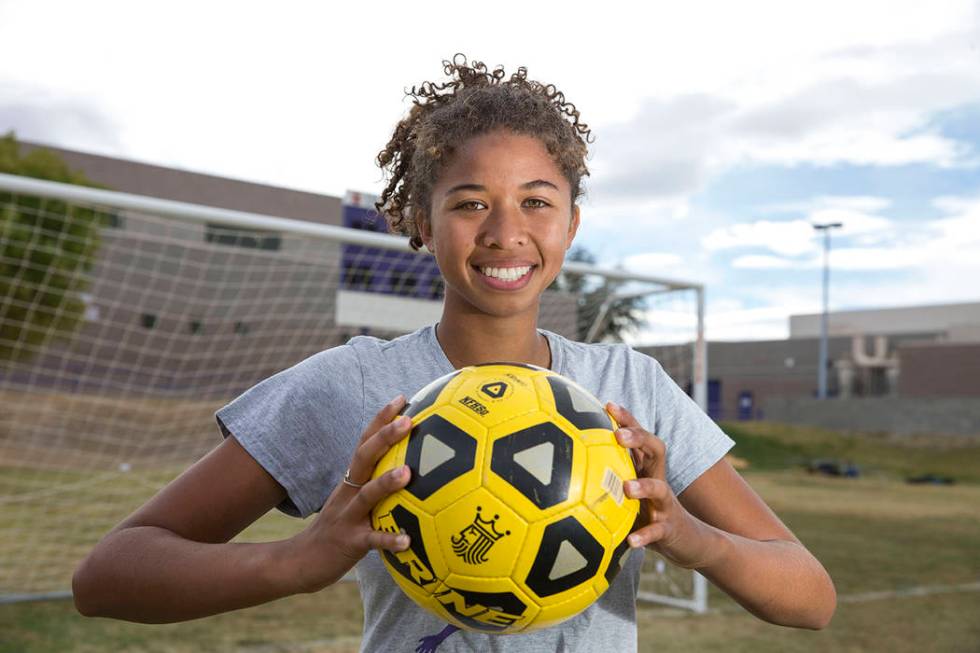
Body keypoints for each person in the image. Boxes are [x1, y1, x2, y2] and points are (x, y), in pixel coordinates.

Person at [72, 55, 836, 651]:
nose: (506, 231)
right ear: (419, 221)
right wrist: (295, 560)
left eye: (537, 200)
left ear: (571, 224)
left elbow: (811, 597)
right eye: (470, 202)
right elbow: (107, 576)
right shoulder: (354, 384)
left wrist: (693, 538)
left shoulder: (628, 389)